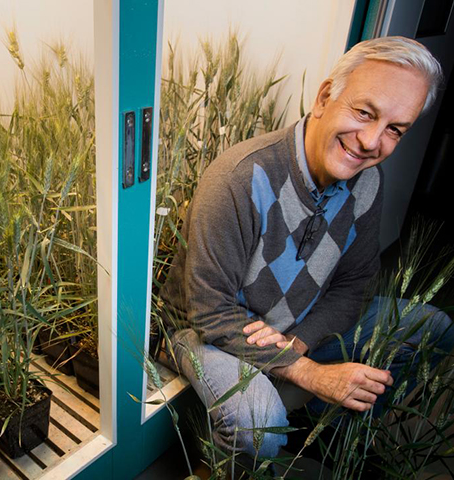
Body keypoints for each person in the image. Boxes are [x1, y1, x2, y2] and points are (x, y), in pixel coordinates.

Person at [160, 36, 454, 467]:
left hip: (295, 323)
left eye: (395, 129)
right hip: (206, 334)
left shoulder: (367, 182)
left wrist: (298, 341)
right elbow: (209, 312)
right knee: (257, 424)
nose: (372, 141)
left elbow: (354, 286)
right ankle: (223, 468)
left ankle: (322, 424)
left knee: (435, 327)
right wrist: (310, 372)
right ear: (323, 98)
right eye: (364, 112)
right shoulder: (239, 178)